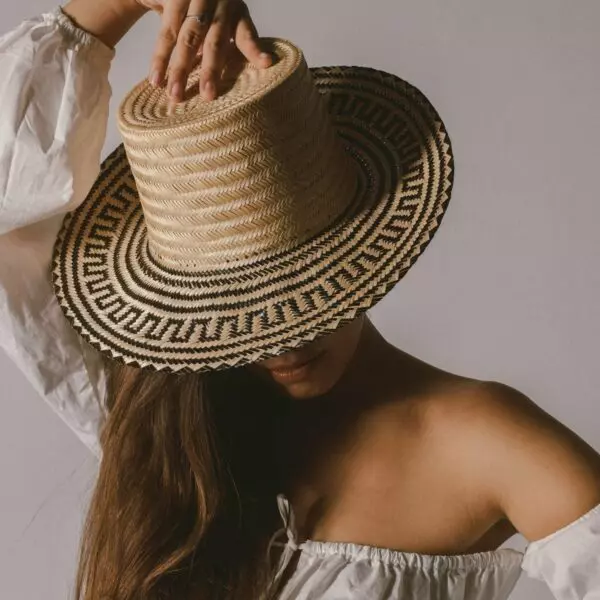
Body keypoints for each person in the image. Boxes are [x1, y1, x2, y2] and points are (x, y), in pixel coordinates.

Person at [1, 1, 599, 599]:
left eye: (304, 290)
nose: (284, 336)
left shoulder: (480, 440)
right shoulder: (169, 424)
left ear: (359, 247)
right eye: (235, 308)